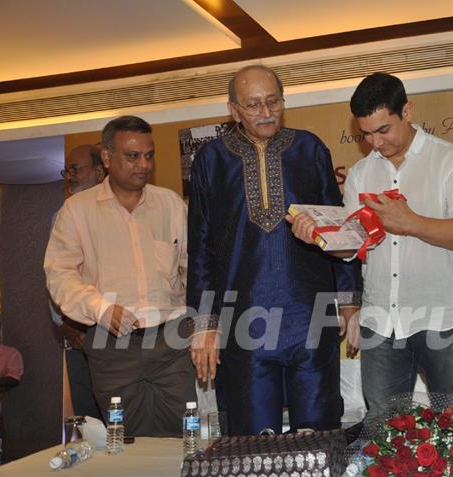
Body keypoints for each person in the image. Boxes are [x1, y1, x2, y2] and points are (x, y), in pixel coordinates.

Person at [291, 72, 453, 423]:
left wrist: (409, 221)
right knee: (382, 432)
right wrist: (320, 238)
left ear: (407, 111)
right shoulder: (361, 174)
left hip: (445, 316)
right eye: (366, 134)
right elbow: (352, 248)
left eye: (383, 130)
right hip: (380, 320)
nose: (375, 143)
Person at [187, 65, 361, 435]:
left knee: (318, 439)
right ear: (234, 110)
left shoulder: (310, 148)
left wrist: (348, 300)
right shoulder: (210, 161)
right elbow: (200, 248)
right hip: (244, 321)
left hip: (309, 315)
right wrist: (205, 323)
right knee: (252, 443)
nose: (266, 112)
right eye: (253, 105)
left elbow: (338, 227)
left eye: (273, 102)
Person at [45, 115, 196, 437]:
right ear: (107, 157)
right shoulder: (77, 211)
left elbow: (195, 267)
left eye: (149, 155)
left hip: (172, 343)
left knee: (183, 440)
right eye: (132, 156)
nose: (143, 164)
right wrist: (99, 307)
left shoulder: (170, 204)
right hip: (110, 347)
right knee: (125, 446)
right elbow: (60, 274)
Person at [49, 144, 105, 420]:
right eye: (66, 170)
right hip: (77, 336)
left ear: (99, 172)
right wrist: (68, 326)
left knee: (120, 419)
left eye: (75, 169)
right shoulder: (62, 216)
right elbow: (55, 276)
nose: (69, 176)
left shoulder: (119, 212)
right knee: (89, 423)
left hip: (114, 334)